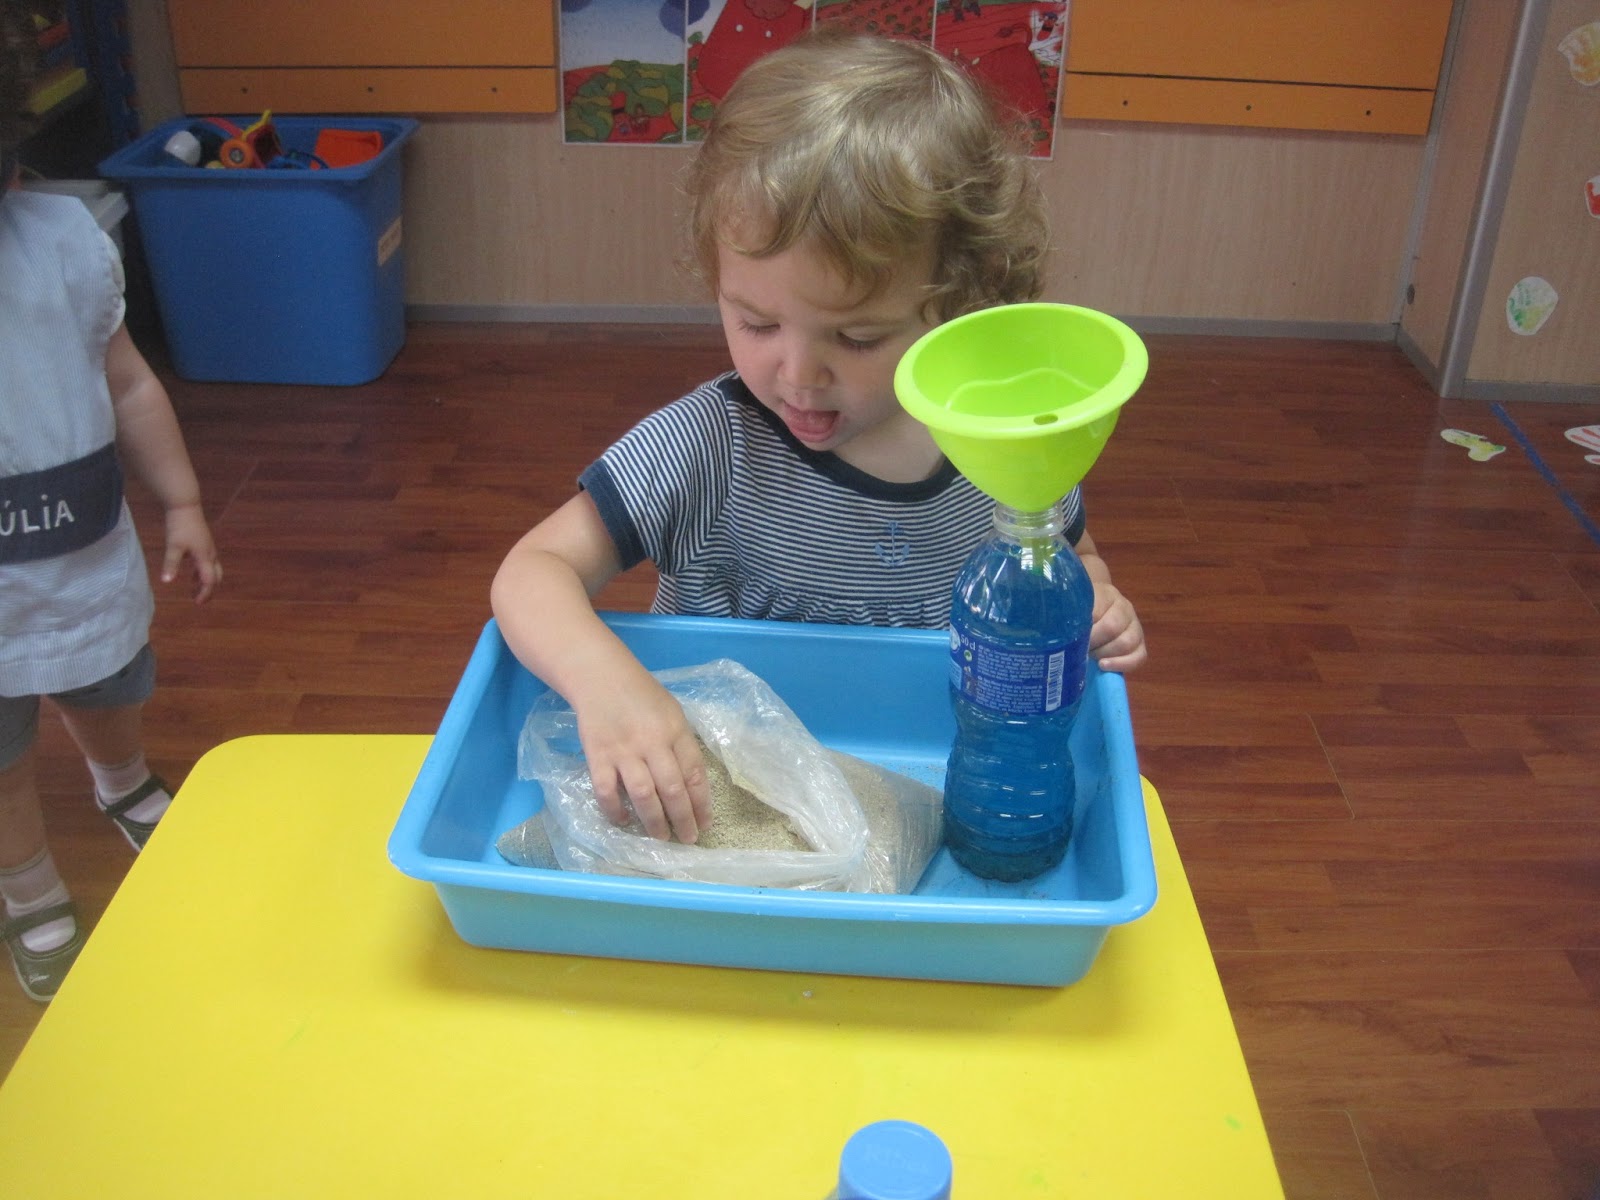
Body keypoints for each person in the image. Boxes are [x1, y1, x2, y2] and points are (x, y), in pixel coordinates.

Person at [491, 28, 1144, 849]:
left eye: (858, 337)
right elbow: (532, 572)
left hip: (924, 787)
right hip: (719, 795)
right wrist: (606, 686)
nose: (798, 374)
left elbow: (1070, 557)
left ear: (961, 308)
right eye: (756, 323)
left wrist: (1098, 603)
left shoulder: (1002, 447)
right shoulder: (709, 445)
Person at [0, 16, 222, 1002]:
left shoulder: (62, 244)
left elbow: (128, 384)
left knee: (107, 684)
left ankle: (119, 779)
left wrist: (183, 501)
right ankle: (27, 887)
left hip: (82, 556)